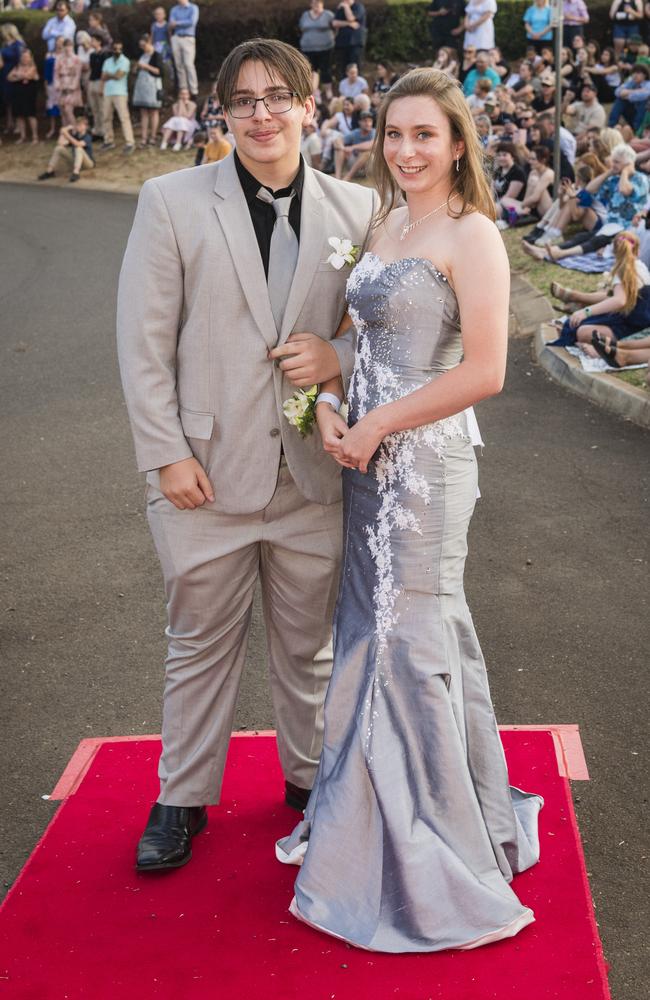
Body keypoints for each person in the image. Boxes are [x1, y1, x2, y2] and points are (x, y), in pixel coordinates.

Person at [276, 65, 543, 952]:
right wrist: (334, 406)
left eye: (425, 135)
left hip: (426, 468)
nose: (407, 150)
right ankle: (366, 816)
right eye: (394, 134)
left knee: (410, 630)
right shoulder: (387, 220)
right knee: (371, 626)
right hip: (366, 458)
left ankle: (430, 834)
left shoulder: (474, 236)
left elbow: (485, 371)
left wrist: (382, 423)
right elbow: (367, 345)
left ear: (458, 142)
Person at [116, 37, 376, 873]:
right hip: (203, 473)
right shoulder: (169, 199)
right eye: (243, 100)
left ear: (311, 104)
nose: (261, 114)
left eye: (277, 97)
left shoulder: (359, 210)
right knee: (197, 642)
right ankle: (181, 798)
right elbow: (143, 342)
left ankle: (311, 784)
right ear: (220, 112)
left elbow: (377, 331)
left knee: (309, 647)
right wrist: (165, 457)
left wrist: (335, 354)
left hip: (313, 473)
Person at [524, 143, 649, 261]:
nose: (613, 164)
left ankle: (559, 253)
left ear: (628, 163)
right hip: (611, 224)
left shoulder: (641, 179)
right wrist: (610, 172)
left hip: (629, 227)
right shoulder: (614, 178)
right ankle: (546, 252)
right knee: (582, 237)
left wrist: (626, 171)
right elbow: (590, 189)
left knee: (597, 240)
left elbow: (624, 190)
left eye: (617, 162)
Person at [551, 231, 650, 351]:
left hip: (634, 324)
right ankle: (576, 302)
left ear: (614, 251)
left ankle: (576, 304)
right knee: (585, 325)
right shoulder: (641, 266)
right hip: (638, 318)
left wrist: (586, 312)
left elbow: (619, 301)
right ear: (638, 252)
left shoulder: (623, 270)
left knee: (583, 332)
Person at [37, 112, 94, 182]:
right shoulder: (75, 136)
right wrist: (64, 130)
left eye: (81, 125)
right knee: (58, 149)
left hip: (87, 163)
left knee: (78, 148)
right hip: (75, 160)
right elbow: (60, 143)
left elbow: (78, 144)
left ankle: (76, 173)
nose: (78, 127)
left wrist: (67, 135)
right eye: (77, 125)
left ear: (85, 126)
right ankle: (49, 171)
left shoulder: (88, 136)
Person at [101, 39, 135, 154]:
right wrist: (113, 75)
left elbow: (119, 76)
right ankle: (109, 140)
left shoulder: (125, 61)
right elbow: (103, 77)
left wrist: (110, 75)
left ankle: (130, 142)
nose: (117, 51)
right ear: (112, 49)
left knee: (124, 118)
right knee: (106, 117)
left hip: (120, 92)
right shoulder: (107, 61)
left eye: (120, 49)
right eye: (115, 49)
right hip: (108, 92)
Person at [299, 0, 335, 102]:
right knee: (310, 70)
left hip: (325, 48)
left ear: (322, 4)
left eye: (318, 4)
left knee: (325, 69)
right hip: (308, 48)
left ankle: (328, 91)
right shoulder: (305, 15)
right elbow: (302, 28)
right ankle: (314, 92)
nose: (316, 6)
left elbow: (335, 27)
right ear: (311, 4)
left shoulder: (328, 14)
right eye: (314, 4)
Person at [132, 33, 162, 147]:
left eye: (144, 45)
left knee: (154, 111)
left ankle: (153, 137)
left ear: (149, 43)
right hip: (142, 86)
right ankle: (144, 138)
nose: (143, 48)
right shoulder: (143, 56)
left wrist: (145, 66)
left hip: (153, 86)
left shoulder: (156, 55)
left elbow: (160, 71)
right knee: (143, 112)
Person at [7, 48, 39, 143]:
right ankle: (22, 136)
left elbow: (28, 76)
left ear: (30, 58)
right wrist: (20, 76)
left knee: (31, 115)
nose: (24, 59)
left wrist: (17, 76)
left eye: (26, 57)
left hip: (29, 94)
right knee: (19, 115)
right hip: (18, 94)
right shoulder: (17, 67)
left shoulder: (33, 67)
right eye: (23, 57)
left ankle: (35, 136)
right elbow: (8, 77)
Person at [169, 0, 199, 98]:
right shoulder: (174, 9)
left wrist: (177, 23)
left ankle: (194, 91)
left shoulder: (193, 8)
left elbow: (192, 22)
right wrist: (180, 23)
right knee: (179, 65)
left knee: (188, 64)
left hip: (188, 38)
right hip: (176, 38)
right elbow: (170, 23)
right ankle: (184, 90)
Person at [608, 62, 650, 132]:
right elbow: (617, 92)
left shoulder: (648, 83)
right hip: (631, 112)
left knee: (644, 101)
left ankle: (636, 131)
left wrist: (627, 95)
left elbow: (645, 95)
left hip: (643, 114)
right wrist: (635, 91)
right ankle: (611, 127)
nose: (635, 75)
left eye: (638, 73)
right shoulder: (631, 83)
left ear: (645, 75)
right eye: (634, 73)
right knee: (619, 100)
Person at [332, 1, 366, 80]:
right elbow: (334, 23)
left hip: (355, 43)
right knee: (343, 67)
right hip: (342, 43)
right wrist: (348, 24)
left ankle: (358, 88)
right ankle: (345, 88)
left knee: (355, 66)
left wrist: (346, 7)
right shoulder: (341, 8)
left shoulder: (358, 6)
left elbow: (351, 17)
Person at [54, 37, 82, 128]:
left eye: (69, 46)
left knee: (68, 109)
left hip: (72, 85)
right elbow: (56, 73)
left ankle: (74, 130)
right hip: (62, 84)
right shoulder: (59, 59)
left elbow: (78, 74)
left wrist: (72, 86)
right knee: (62, 110)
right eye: (66, 46)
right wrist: (57, 84)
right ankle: (66, 132)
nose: (67, 48)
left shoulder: (76, 59)